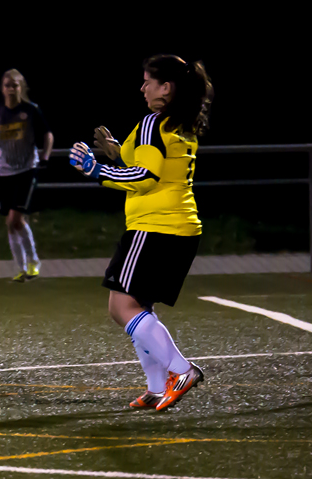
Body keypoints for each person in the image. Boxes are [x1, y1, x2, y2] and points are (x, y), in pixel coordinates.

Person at [70, 54, 213, 412]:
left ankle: (181, 371)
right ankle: (154, 387)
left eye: (148, 81)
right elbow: (152, 164)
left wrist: (95, 169)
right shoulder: (179, 123)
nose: (142, 87)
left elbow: (145, 177)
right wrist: (117, 151)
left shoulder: (153, 121)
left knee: (122, 307)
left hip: (155, 227)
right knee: (138, 306)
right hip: (180, 228)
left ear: (166, 87)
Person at [0, 69, 54, 282]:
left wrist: (45, 156)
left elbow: (47, 134)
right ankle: (21, 267)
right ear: (2, 88)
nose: (11, 89)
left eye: (15, 85)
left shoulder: (31, 110)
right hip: (4, 171)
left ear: (21, 88)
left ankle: (33, 262)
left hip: (27, 169)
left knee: (14, 218)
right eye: (7, 85)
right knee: (11, 223)